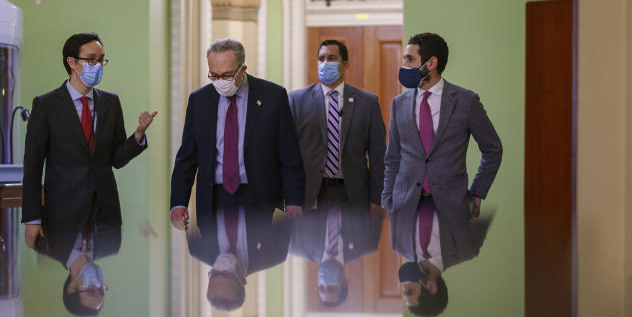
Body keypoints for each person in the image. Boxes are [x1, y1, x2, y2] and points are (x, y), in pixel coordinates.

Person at [22, 32, 157, 247]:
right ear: (72, 62)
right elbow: (32, 166)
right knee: (72, 274)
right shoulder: (46, 105)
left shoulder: (110, 103)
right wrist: (32, 218)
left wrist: (138, 135)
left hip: (106, 210)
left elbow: (117, 159)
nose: (98, 65)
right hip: (63, 211)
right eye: (91, 59)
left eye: (101, 59)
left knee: (103, 276)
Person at [170, 38, 305, 227]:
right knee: (215, 256)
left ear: (243, 69)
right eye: (214, 76)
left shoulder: (273, 97)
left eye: (226, 75)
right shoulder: (199, 101)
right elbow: (187, 156)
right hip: (213, 199)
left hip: (259, 198)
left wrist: (294, 200)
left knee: (259, 256)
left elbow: (290, 155)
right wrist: (178, 202)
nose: (220, 82)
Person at [381, 32, 502, 216]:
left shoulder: (466, 101)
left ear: (431, 63)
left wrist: (478, 191)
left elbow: (493, 149)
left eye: (409, 59)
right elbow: (393, 159)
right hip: (405, 207)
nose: (403, 65)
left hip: (452, 207)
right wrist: (387, 199)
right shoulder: (399, 104)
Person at [288, 39, 386, 210]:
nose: (325, 63)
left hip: (353, 196)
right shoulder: (297, 100)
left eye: (332, 58)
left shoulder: (367, 103)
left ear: (345, 64)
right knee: (311, 238)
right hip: (310, 195)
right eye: (321, 58)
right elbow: (289, 154)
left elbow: (378, 156)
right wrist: (290, 199)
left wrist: (377, 199)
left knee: (353, 238)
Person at [389, 192, 493, 317]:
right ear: (431, 286)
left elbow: (391, 196)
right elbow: (473, 199)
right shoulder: (467, 248)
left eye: (404, 290)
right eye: (410, 290)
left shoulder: (398, 245)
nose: (404, 284)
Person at [187, 206, 293, 311]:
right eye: (226, 274)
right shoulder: (275, 253)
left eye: (214, 274)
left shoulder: (197, 247)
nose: (220, 268)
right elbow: (286, 208)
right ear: (242, 280)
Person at [288, 203, 382, 307]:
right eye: (331, 288)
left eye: (321, 288)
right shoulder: (367, 243)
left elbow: (285, 208)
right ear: (345, 282)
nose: (324, 283)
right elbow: (377, 202)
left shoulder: (296, 244)